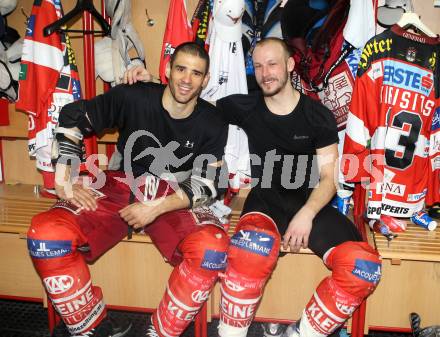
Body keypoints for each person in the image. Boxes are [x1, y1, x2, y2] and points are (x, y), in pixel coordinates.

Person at [126, 37, 382, 337]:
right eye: (258, 66)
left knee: (364, 267)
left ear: (289, 65)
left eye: (272, 63)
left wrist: (307, 214)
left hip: (310, 206)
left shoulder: (317, 115)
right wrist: (150, 86)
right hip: (266, 203)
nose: (265, 72)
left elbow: (329, 179)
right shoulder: (245, 105)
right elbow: (188, 101)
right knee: (250, 252)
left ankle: (302, 333)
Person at [27, 42, 230, 337]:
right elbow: (72, 117)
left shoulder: (213, 121)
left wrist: (155, 208)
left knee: (212, 249)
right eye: (181, 69)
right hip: (121, 186)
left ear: (206, 80)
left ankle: (161, 332)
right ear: (167, 70)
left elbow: (209, 184)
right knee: (45, 235)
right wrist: (63, 181)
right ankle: (92, 328)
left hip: (171, 198)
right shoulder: (133, 96)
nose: (186, 79)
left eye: (196, 73)